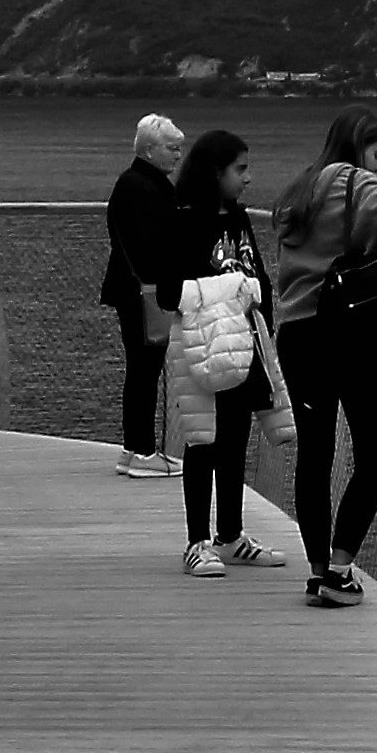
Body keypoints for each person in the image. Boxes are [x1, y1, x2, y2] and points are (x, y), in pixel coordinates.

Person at [266, 106, 377, 609]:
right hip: (349, 333)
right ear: (359, 148)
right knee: (376, 452)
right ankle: (341, 568)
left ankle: (318, 572)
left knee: (315, 458)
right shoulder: (354, 181)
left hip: (298, 334)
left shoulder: (303, 186)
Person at [161, 128, 288, 580]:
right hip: (203, 349)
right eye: (240, 169)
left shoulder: (236, 219)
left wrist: (264, 321)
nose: (247, 179)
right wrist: (233, 290)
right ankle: (196, 541)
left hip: (245, 344)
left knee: (235, 438)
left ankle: (230, 535)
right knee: (204, 440)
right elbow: (170, 293)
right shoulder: (183, 221)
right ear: (215, 172)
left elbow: (254, 274)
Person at [97, 113, 190, 477]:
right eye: (172, 148)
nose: (178, 155)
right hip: (142, 292)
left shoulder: (136, 183)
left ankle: (134, 449)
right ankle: (143, 451)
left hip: (132, 289)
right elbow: (154, 244)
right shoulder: (142, 187)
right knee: (144, 370)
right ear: (150, 150)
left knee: (141, 370)